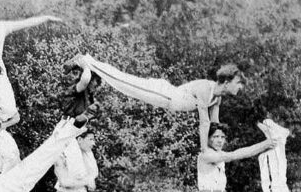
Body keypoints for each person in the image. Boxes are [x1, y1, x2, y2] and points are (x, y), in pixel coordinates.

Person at [77, 56, 245, 151]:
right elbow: (205, 123)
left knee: (126, 83)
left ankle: (89, 63)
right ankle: (86, 61)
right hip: (163, 93)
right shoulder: (205, 88)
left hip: (165, 99)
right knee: (125, 82)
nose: (241, 87)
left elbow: (215, 126)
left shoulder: (217, 98)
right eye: (238, 83)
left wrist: (217, 148)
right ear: (226, 82)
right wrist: (204, 149)